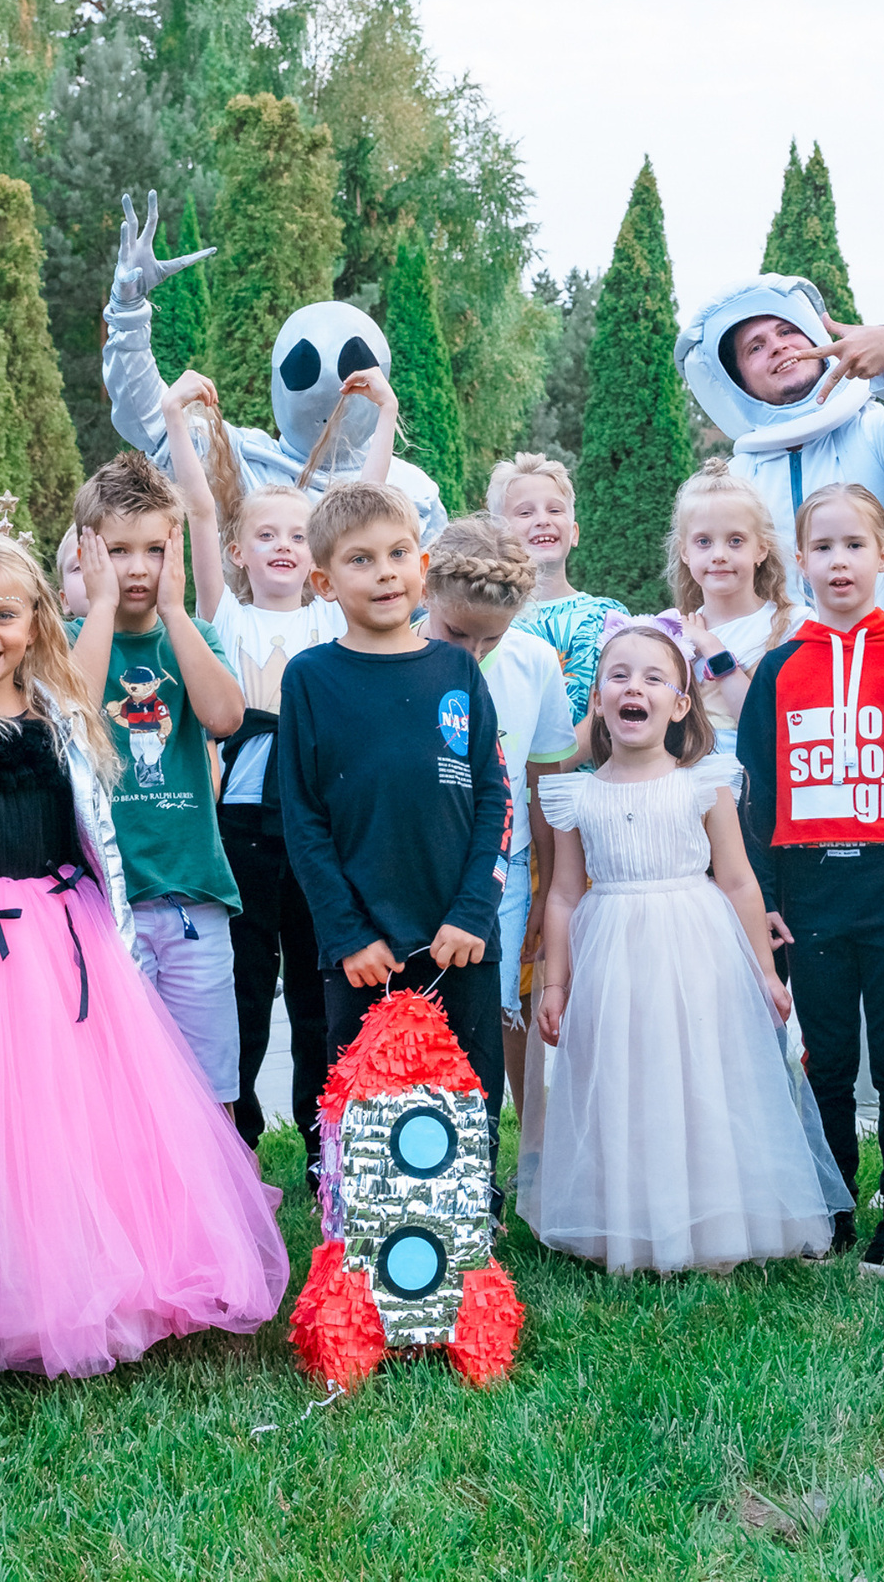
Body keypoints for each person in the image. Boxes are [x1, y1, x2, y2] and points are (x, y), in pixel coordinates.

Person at [0, 530, 287, 1378]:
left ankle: (87, 1280)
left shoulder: (59, 713)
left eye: (4, 613)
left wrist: (115, 930)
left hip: (66, 937)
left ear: (36, 623)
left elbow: (96, 830)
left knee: (73, 1119)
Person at [526, 621, 850, 1271]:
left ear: (679, 704)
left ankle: (717, 1220)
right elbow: (563, 893)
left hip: (697, 947)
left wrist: (765, 970)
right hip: (610, 954)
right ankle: (632, 1222)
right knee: (625, 1080)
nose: (633, 687)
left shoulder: (705, 782)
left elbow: (736, 880)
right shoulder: (575, 794)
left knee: (704, 1074)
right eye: (618, 675)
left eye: (652, 677)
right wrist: (554, 982)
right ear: (597, 699)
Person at [158, 363, 390, 1162]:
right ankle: (236, 1136)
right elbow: (196, 505)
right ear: (239, 551)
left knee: (322, 990)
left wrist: (382, 417)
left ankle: (328, 1136)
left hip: (321, 827)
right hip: (245, 829)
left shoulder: (332, 616)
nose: (285, 546)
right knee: (246, 986)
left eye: (299, 535)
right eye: (267, 535)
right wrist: (175, 416)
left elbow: (366, 509)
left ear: (320, 557)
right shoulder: (227, 616)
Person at [737, 482, 884, 1274]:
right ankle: (833, 1204)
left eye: (854, 545)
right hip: (812, 895)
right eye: (822, 547)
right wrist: (764, 897)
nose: (839, 561)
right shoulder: (779, 668)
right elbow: (755, 796)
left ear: (883, 557)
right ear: (799, 562)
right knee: (825, 1060)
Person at [277, 481, 512, 1189]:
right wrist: (345, 933)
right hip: (362, 949)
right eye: (360, 559)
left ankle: (470, 1213)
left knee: (468, 1088)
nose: (384, 571)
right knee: (369, 1092)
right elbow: (304, 820)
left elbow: (496, 797)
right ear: (323, 581)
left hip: (458, 939)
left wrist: (474, 911)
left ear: (423, 561)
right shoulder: (310, 679)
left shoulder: (457, 670)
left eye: (398, 553)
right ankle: (367, 1225)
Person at [100, 190, 447, 542]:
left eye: (351, 367)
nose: (331, 383)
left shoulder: (416, 495)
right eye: (307, 365)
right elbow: (150, 420)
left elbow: (434, 593)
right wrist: (128, 310)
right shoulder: (239, 465)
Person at [67, 450, 249, 1109]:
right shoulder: (70, 638)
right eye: (118, 549)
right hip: (105, 901)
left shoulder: (191, 633)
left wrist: (175, 613)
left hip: (192, 896)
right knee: (122, 1081)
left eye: (153, 549)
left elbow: (225, 716)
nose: (138, 567)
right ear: (89, 553)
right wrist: (103, 609)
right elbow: (72, 710)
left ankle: (220, 1201)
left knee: (208, 1082)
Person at [676, 274, 884, 644]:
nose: (778, 347)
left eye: (786, 331)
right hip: (793, 688)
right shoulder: (739, 478)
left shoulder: (876, 434)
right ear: (738, 381)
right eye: (755, 347)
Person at [420, 517, 577, 1139]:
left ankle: (512, 1161)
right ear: (427, 587)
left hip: (502, 871)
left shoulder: (535, 661)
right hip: (420, 863)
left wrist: (545, 888)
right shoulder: (395, 650)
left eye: (491, 640)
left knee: (497, 1014)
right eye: (457, 634)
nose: (473, 655)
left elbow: (545, 781)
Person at [666, 457, 800, 740]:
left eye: (735, 540)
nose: (719, 555)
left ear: (761, 549)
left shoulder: (795, 627)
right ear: (685, 551)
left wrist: (709, 644)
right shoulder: (673, 632)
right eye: (703, 541)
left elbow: (763, 727)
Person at [492, 452, 627, 723]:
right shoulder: (489, 622)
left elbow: (612, 711)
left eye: (555, 510)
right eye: (525, 512)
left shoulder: (607, 617)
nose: (543, 520)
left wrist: (558, 765)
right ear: (497, 537)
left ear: (574, 533)